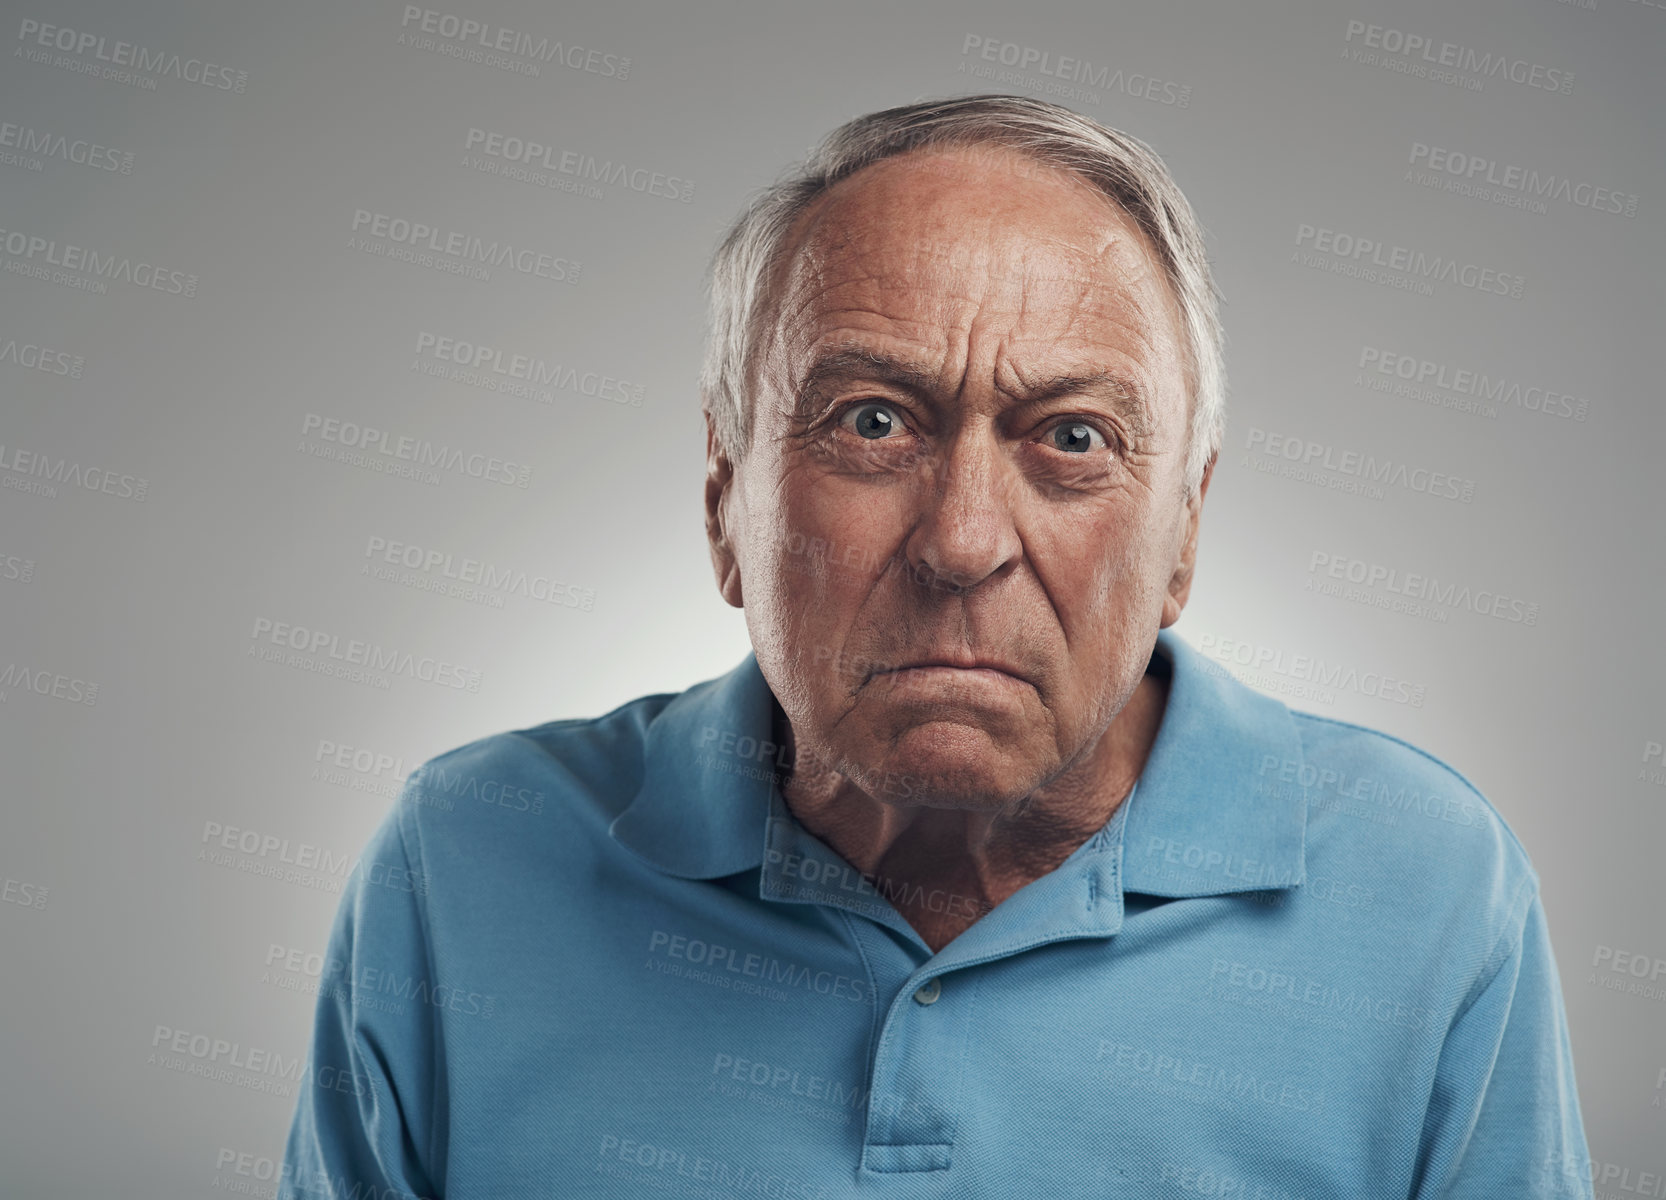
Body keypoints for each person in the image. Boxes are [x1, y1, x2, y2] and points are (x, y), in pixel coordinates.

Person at [278, 95, 1593, 1199]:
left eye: (1071, 437)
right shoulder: (467, 860)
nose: (962, 541)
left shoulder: (1419, 886)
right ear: (723, 509)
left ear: (1180, 539)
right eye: (869, 422)